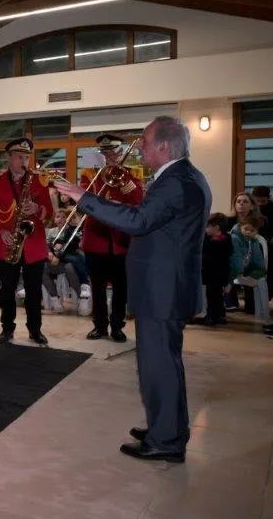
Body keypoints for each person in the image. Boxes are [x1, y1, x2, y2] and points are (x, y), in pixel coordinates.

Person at [55, 116, 210, 463]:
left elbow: (138, 221)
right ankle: (168, 426)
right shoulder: (184, 176)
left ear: (164, 147)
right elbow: (146, 215)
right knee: (165, 364)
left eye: (145, 141)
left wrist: (84, 197)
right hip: (166, 287)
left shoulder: (175, 182)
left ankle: (166, 441)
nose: (139, 147)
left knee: (158, 366)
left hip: (162, 290)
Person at [0, 137, 55, 346]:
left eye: (27, 157)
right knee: (7, 291)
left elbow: (50, 214)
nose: (24, 161)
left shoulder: (39, 181)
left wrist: (38, 210)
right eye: (20, 157)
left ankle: (35, 330)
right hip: (8, 244)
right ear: (10, 158)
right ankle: (7, 328)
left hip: (33, 245)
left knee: (33, 292)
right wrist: (0, 231)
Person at [79, 133, 144, 343]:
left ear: (120, 152)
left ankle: (117, 327)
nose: (109, 156)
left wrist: (123, 178)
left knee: (120, 288)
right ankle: (99, 326)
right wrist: (103, 180)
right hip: (95, 239)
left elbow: (137, 200)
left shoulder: (133, 173)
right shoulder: (90, 174)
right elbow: (85, 202)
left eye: (113, 152)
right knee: (97, 287)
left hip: (120, 242)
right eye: (104, 153)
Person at [199, 213, 234, 326]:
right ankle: (212, 314)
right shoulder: (206, 238)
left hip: (218, 272)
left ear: (217, 227)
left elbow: (226, 254)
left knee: (216, 295)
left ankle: (216, 315)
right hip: (208, 272)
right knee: (211, 294)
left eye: (208, 226)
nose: (206, 229)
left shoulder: (226, 239)